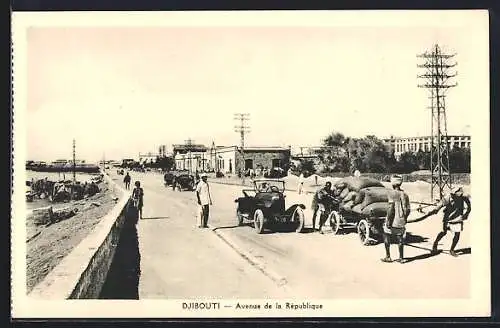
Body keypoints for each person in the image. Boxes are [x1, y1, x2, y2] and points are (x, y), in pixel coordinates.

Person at [429, 186, 471, 257]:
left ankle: (452, 250)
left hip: (458, 218)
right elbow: (439, 206)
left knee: (457, 234)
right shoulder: (447, 198)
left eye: (460, 194)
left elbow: (469, 207)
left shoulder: (463, 197)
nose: (458, 195)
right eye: (455, 194)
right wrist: (434, 211)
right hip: (448, 218)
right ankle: (435, 243)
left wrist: (466, 214)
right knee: (443, 232)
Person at [381, 175, 411, 264]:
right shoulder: (405, 194)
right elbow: (408, 209)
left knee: (386, 235)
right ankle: (401, 258)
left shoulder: (392, 193)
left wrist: (388, 222)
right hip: (401, 220)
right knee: (400, 238)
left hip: (393, 219)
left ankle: (388, 257)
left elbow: (391, 209)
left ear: (393, 184)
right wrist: (404, 218)